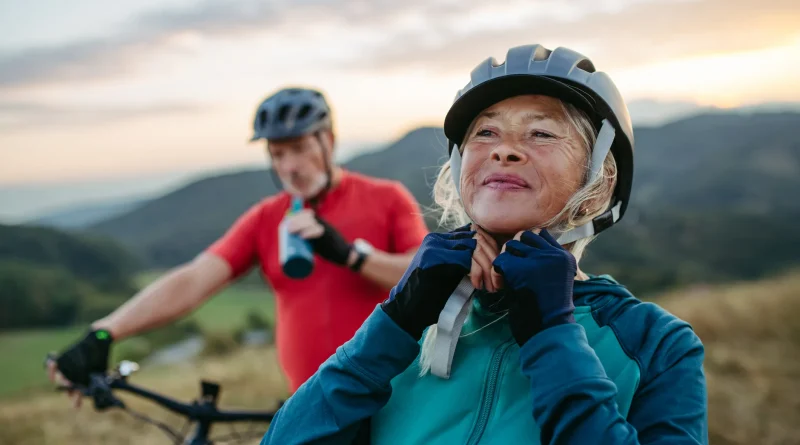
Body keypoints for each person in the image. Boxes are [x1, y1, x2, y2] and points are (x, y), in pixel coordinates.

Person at [260, 44, 708, 444]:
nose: (503, 150)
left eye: (541, 133)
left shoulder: (655, 343)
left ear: (599, 182)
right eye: (486, 133)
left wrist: (553, 336)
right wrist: (397, 319)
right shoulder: (411, 335)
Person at [47, 86, 429, 402]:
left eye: (299, 148)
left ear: (327, 141)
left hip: (391, 396)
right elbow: (194, 280)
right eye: (277, 154)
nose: (289, 166)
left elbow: (425, 276)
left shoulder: (387, 198)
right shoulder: (267, 218)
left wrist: (352, 256)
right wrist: (104, 332)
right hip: (310, 405)